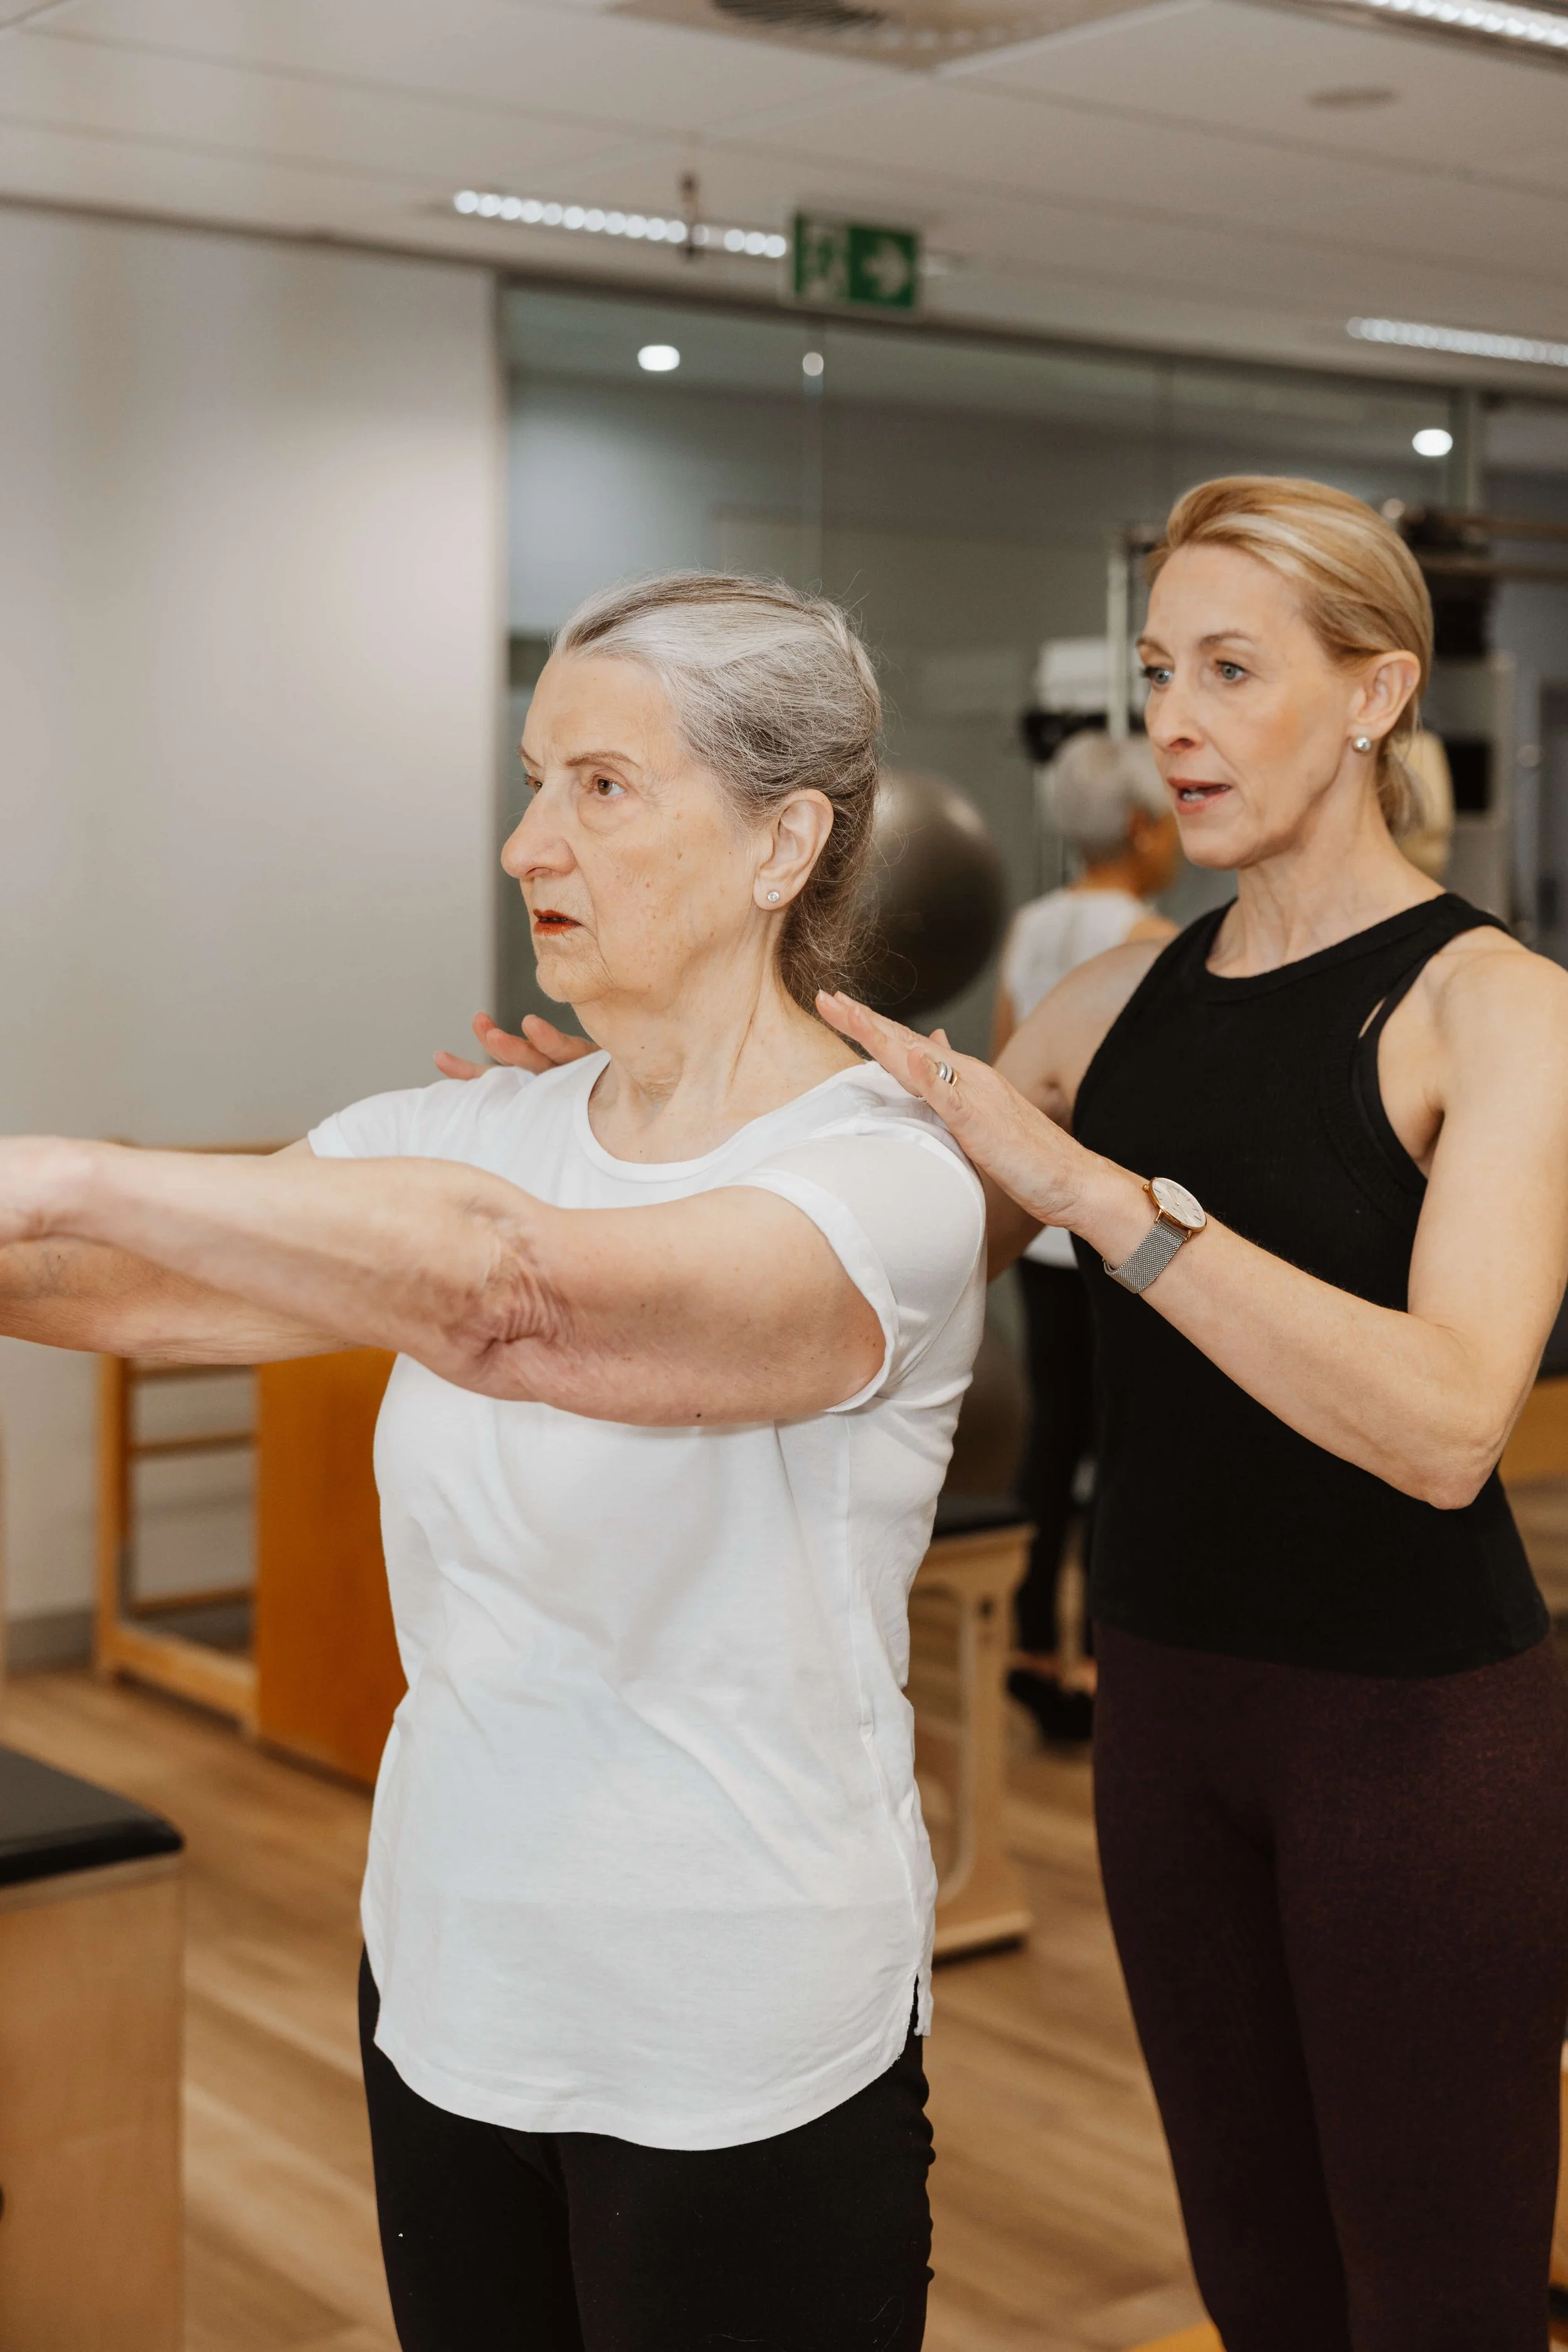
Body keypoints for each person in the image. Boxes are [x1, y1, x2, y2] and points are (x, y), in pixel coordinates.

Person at [0, 575, 987, 2352]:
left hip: (737, 2021)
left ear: (785, 841)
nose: (527, 837)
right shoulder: (462, 1127)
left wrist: (68, 1166)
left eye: (602, 785)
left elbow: (520, 1300)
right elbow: (105, 1287)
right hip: (448, 1978)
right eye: (533, 778)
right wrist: (53, 1220)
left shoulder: (884, 1180)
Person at [816, 477, 1568, 2352]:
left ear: (1377, 693)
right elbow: (860, 1270)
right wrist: (606, 1112)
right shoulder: (1104, 1002)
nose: (1172, 718)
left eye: (1233, 668)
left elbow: (1445, 1420)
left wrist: (1102, 1198)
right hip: (1166, 1706)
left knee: (1439, 2303)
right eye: (1159, 668)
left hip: (1412, 1740)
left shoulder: (1499, 1013)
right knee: (1257, 2282)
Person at [992, 729, 1178, 1741]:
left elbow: (1008, 1077)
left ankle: (1029, 1637)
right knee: (1118, 1442)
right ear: (1145, 826)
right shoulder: (1152, 937)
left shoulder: (1032, 926)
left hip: (1041, 1231)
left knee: (1051, 1432)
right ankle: (1105, 1657)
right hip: (1112, 1232)